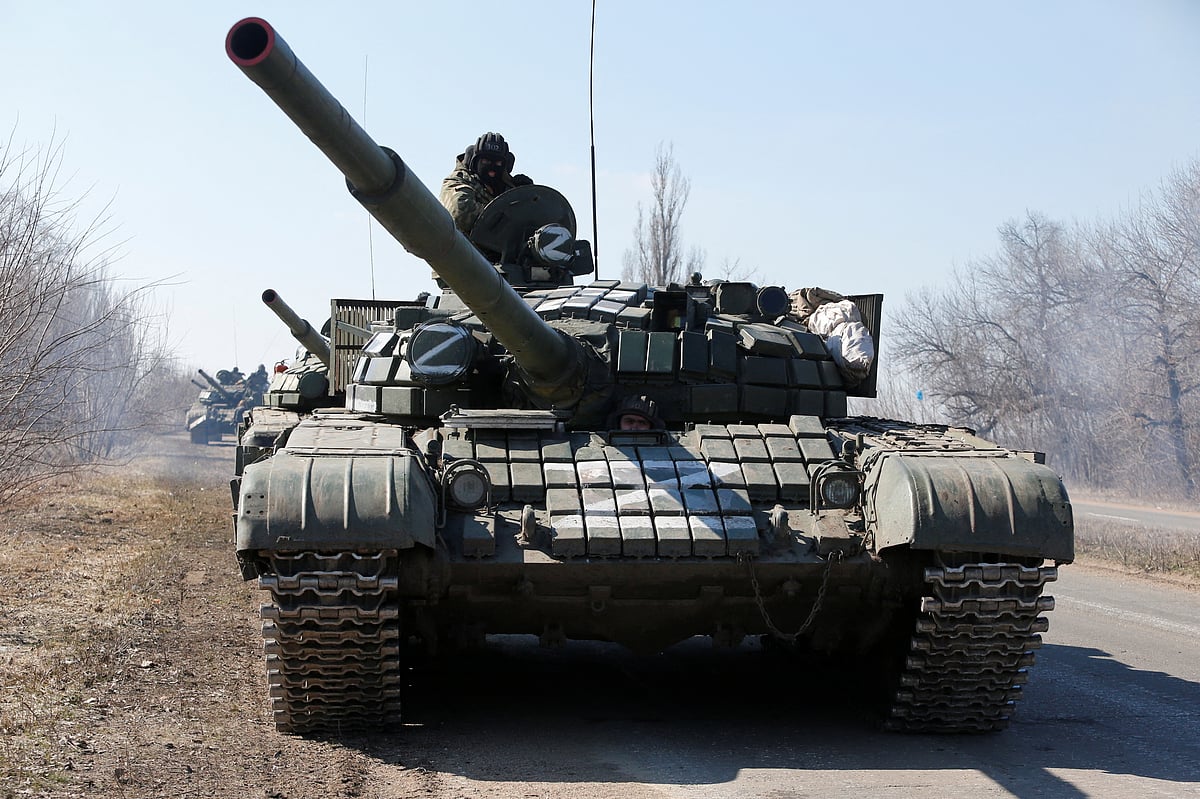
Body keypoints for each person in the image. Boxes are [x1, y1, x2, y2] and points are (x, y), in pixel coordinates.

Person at [438, 132, 533, 234]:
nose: (492, 169)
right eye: (485, 161)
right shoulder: (457, 181)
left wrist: (526, 197)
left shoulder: (506, 188)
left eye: (498, 163)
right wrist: (507, 221)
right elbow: (462, 213)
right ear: (474, 161)